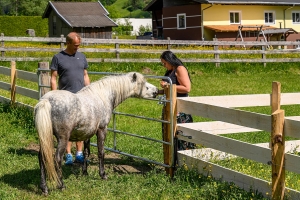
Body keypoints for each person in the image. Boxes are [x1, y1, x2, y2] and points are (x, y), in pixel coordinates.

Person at [50, 32, 90, 165]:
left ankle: (79, 153)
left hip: (81, 97)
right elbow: (53, 78)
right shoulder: (58, 58)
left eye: (79, 45)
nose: (77, 47)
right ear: (68, 43)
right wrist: (54, 95)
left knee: (81, 126)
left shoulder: (82, 57)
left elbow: (85, 75)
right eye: (75, 45)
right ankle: (68, 155)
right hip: (65, 98)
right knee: (67, 128)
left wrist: (89, 91)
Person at [159, 50, 195, 162]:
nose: (164, 65)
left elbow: (186, 88)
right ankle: (173, 161)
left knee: (181, 134)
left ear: (170, 60)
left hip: (180, 107)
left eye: (165, 63)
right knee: (170, 134)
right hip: (170, 106)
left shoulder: (180, 69)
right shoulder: (170, 71)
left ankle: (185, 161)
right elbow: (169, 89)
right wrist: (159, 91)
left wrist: (168, 85)